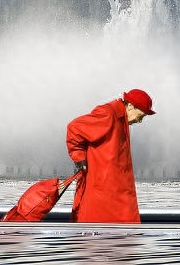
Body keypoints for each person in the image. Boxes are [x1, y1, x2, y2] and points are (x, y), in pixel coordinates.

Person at [65, 88, 155, 223]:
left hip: (111, 190)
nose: (140, 121)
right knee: (111, 233)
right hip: (103, 190)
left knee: (118, 234)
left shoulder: (119, 118)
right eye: (141, 116)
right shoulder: (108, 113)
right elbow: (74, 128)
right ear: (130, 106)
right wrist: (79, 158)